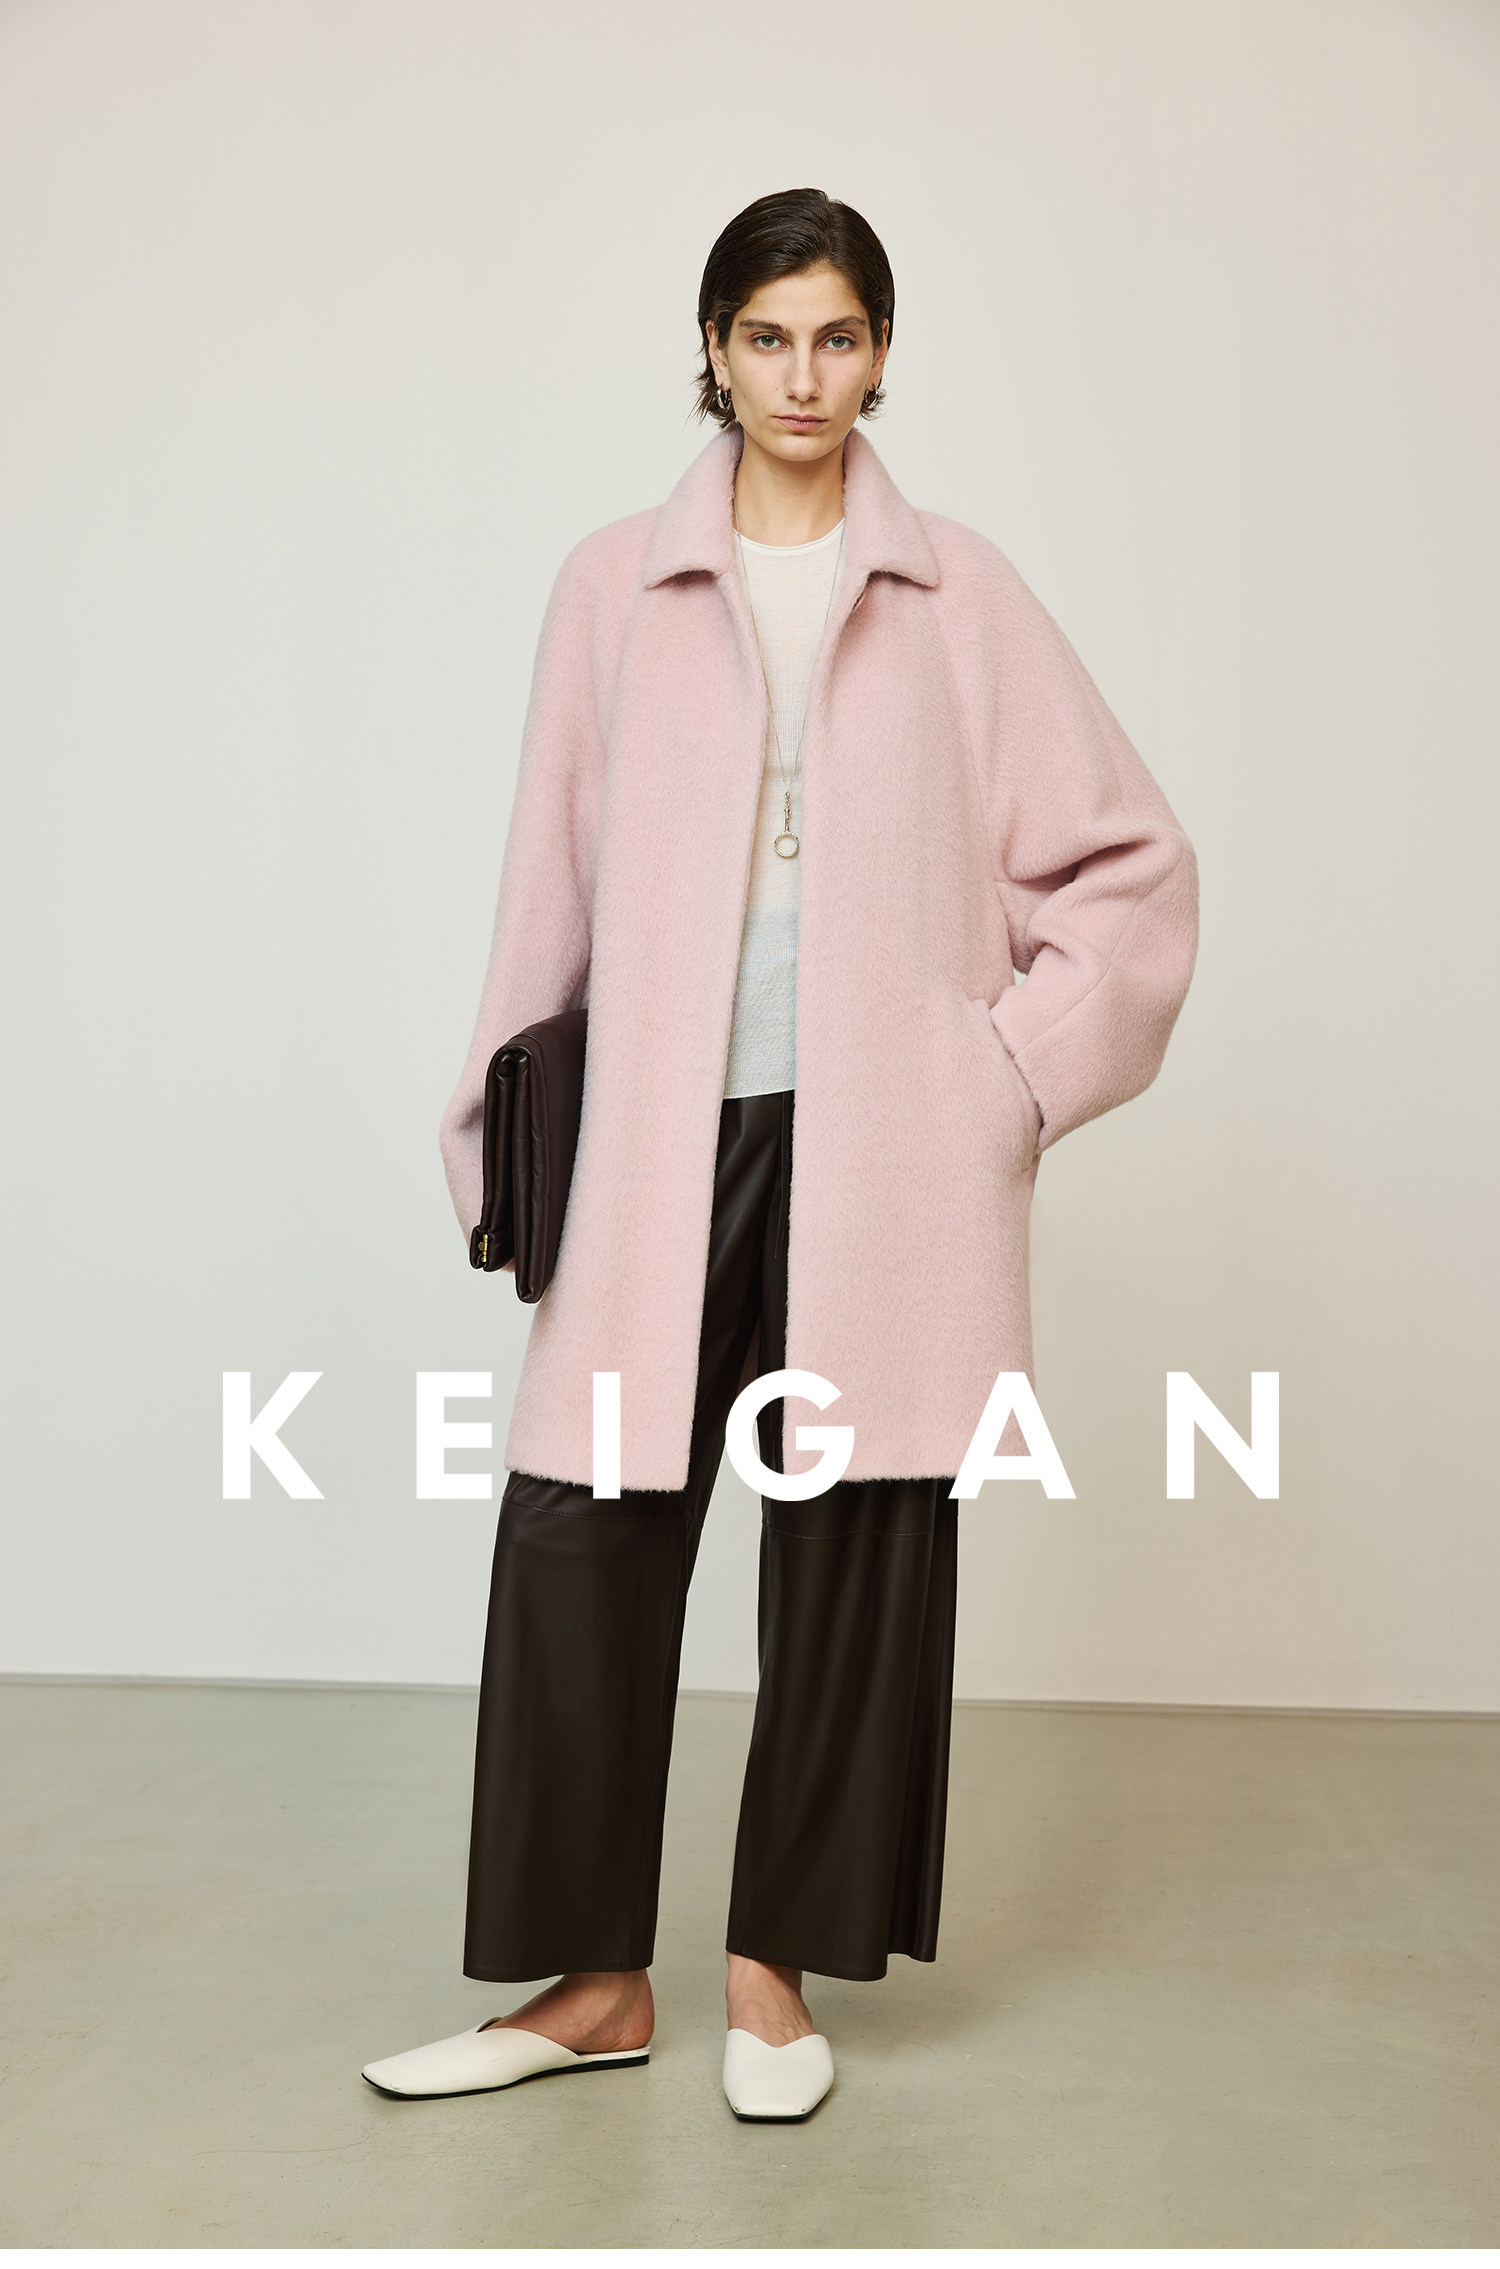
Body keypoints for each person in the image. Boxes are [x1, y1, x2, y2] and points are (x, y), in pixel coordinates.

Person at [361, 187, 1198, 2121]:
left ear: (881, 354)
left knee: (854, 1549)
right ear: (716, 352)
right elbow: (551, 868)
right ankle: (591, 1987)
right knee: (579, 1533)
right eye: (766, 337)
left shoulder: (963, 593)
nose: (801, 375)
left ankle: (771, 1980)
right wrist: (496, 1113)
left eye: (836, 337)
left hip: (888, 1153)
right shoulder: (614, 585)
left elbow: (1131, 871)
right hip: (661, 1138)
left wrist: (1009, 1078)